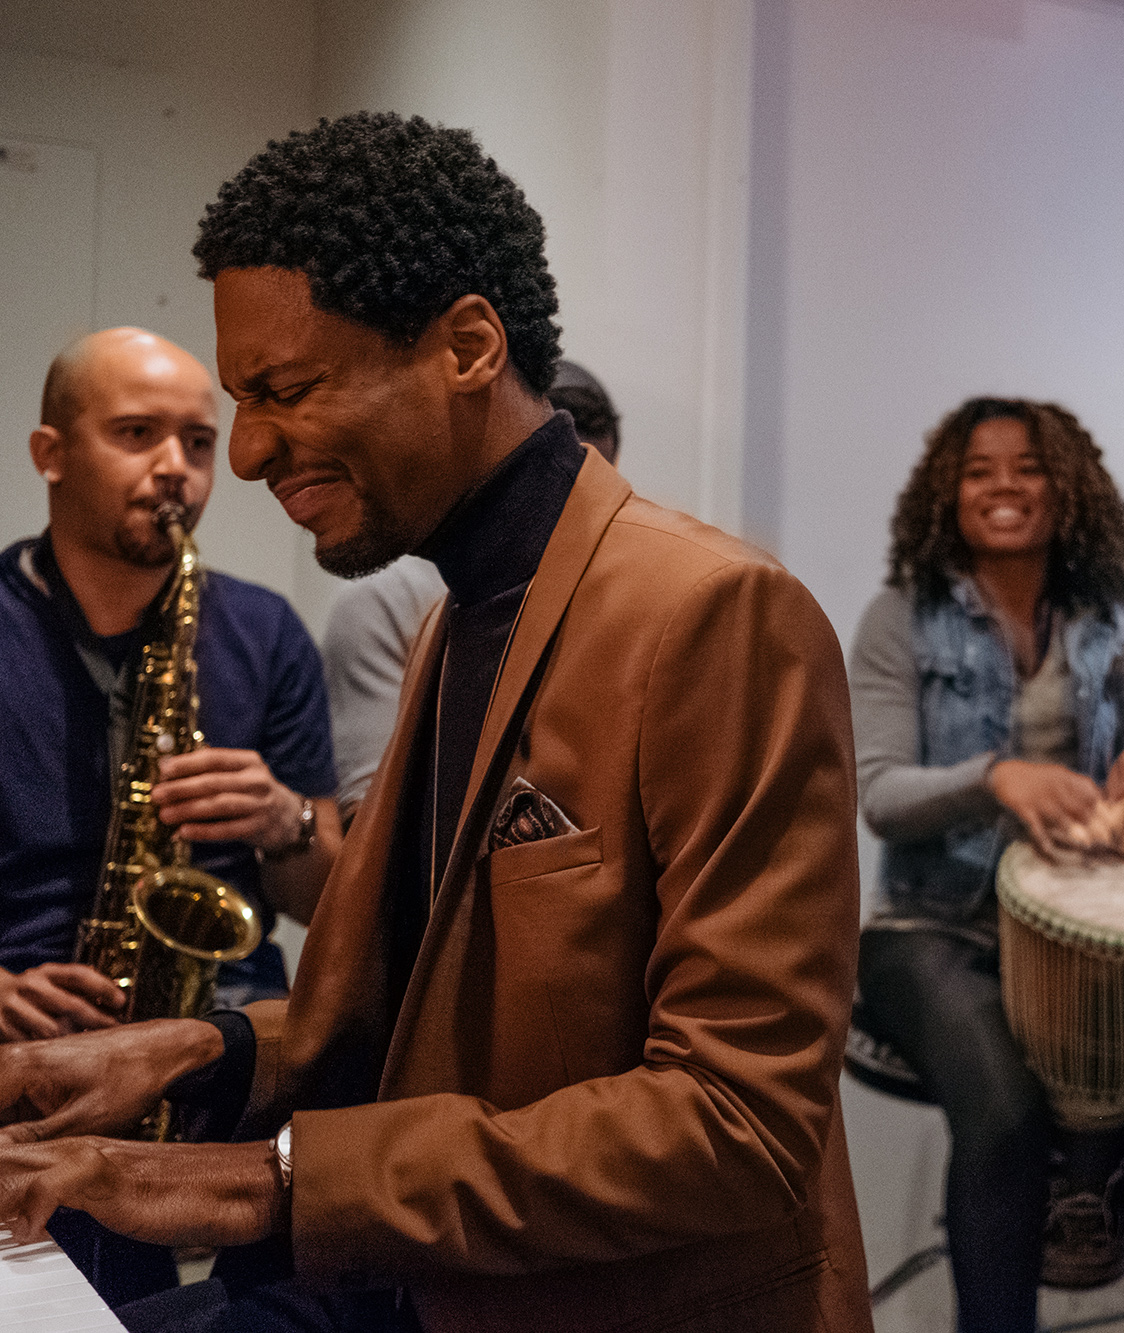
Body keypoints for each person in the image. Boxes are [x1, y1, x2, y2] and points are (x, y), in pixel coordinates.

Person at [0, 112, 870, 1333]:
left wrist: (250, 1181)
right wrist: (179, 1053)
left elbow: (734, 1123)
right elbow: (396, 1016)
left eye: (283, 390)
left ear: (466, 345)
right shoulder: (451, 616)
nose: (243, 455)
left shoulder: (713, 612)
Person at [849, 396, 1124, 1333]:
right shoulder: (899, 618)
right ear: (948, 493)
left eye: (1027, 467)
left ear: (1066, 488)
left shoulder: (1113, 619)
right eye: (979, 469)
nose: (1004, 487)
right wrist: (998, 778)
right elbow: (880, 792)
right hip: (930, 927)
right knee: (1007, 1114)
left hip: (1080, 928)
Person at [0, 327, 341, 1306]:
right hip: (30, 1042)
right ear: (51, 453)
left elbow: (325, 900)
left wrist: (285, 820)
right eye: (137, 433)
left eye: (197, 441)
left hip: (223, 1051)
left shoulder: (265, 630)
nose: (177, 470)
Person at [320, 359, 621, 821]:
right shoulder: (389, 601)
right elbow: (369, 818)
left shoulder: (624, 592)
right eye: (560, 485)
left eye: (596, 487)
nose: (576, 510)